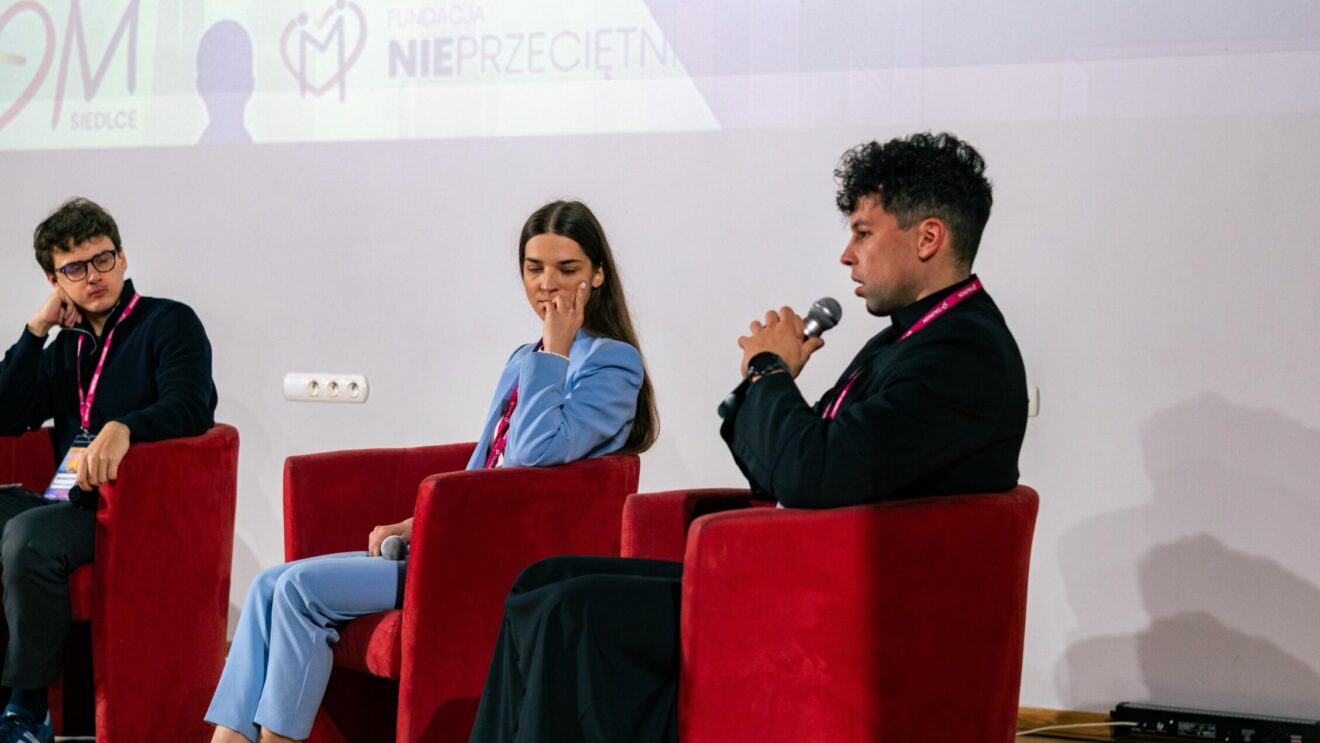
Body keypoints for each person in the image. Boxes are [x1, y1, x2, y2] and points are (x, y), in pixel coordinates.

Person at [467, 132, 1029, 743]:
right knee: (542, 580)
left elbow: (812, 475)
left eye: (864, 233)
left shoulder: (962, 353)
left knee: (570, 611)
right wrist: (766, 384)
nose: (847, 255)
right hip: (806, 575)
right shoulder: (905, 340)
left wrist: (769, 372)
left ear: (928, 238)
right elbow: (780, 470)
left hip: (851, 607)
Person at [206, 200, 658, 743]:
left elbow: (534, 455)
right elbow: (486, 464)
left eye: (566, 269)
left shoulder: (612, 362)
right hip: (454, 539)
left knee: (301, 589)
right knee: (267, 585)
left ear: (597, 275)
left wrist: (557, 350)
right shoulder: (525, 357)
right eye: (534, 268)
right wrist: (417, 521)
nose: (547, 284)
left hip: (493, 558)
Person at [0, 198, 218, 743]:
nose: (93, 276)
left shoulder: (168, 322)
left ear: (122, 258)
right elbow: (7, 414)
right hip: (66, 502)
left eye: (102, 259)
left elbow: (192, 405)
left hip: (131, 510)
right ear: (55, 281)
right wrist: (36, 329)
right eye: (74, 268)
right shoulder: (65, 347)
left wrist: (125, 428)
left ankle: (29, 706)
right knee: (18, 520)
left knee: (28, 537)